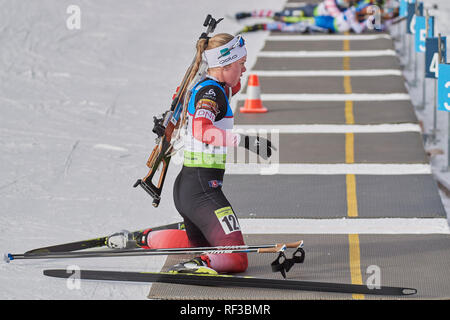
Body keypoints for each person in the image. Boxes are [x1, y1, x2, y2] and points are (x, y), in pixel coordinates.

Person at [108, 33, 275, 275]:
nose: (245, 68)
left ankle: (146, 239)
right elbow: (201, 130)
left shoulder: (215, 86)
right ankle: (198, 264)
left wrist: (223, 62)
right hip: (202, 192)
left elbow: (231, 84)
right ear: (225, 65)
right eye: (241, 63)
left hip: (191, 188)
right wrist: (246, 140)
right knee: (237, 258)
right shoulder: (211, 93)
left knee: (206, 244)